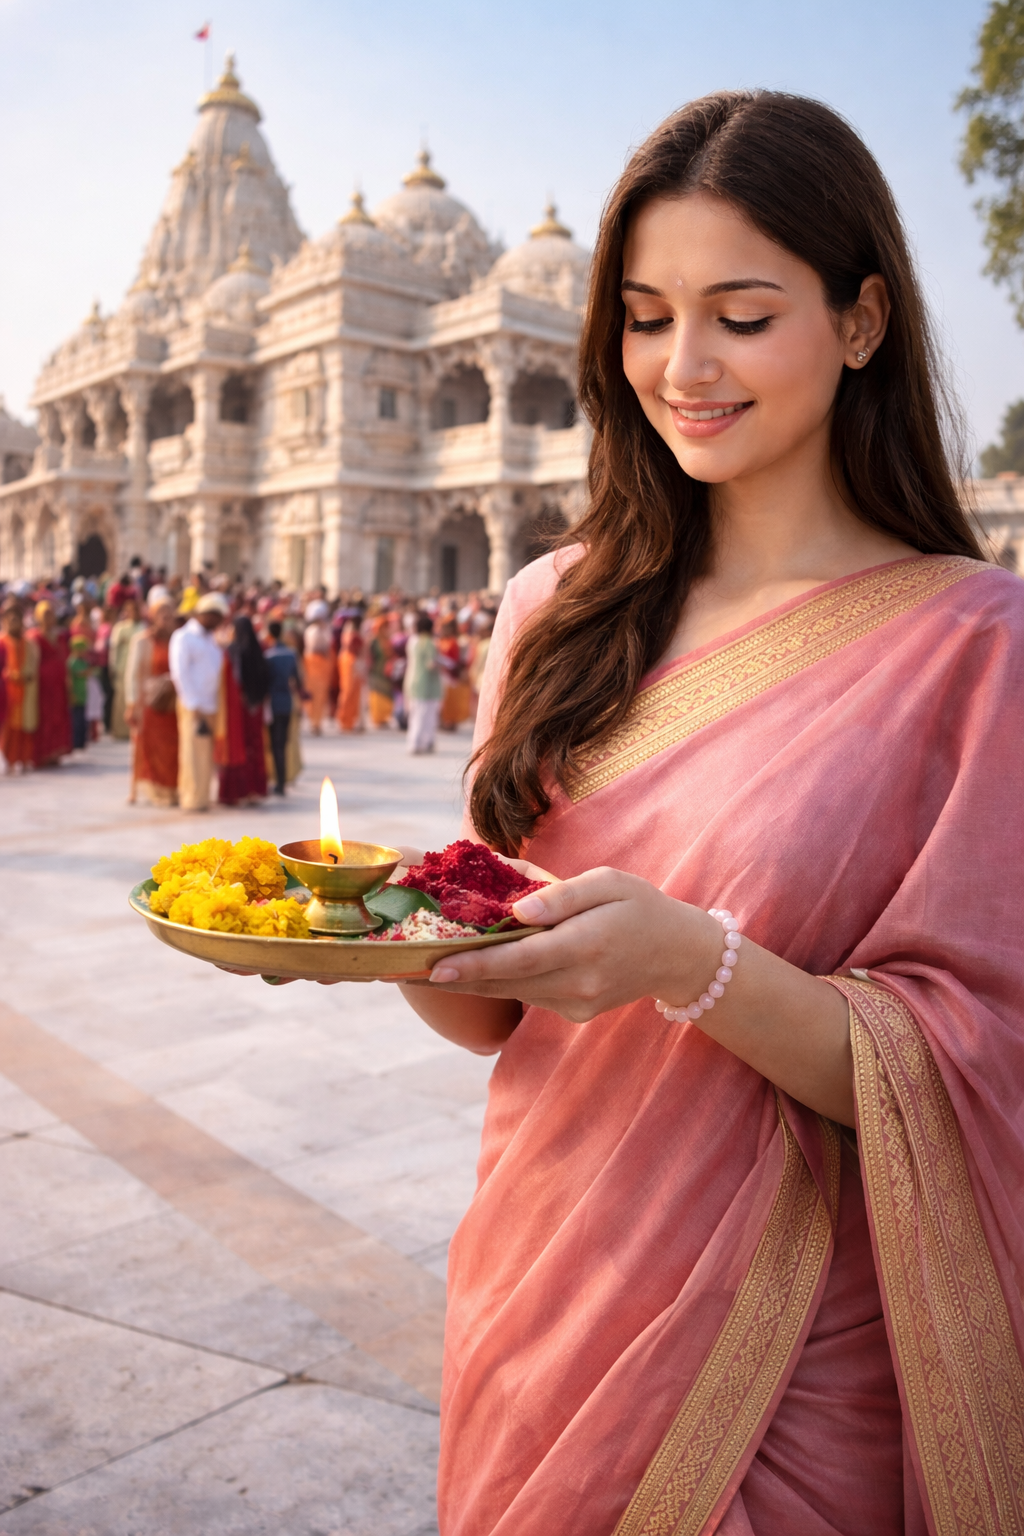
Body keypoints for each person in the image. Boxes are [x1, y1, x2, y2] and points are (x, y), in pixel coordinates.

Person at [393, 93, 1024, 1535]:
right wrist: (381, 935)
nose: (683, 368)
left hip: (797, 1357)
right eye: (644, 317)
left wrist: (695, 965)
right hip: (540, 1294)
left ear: (861, 320)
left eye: (741, 316)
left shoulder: (977, 646)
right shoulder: (556, 610)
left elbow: (988, 1057)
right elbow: (491, 1014)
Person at [168, 591, 227, 812]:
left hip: (211, 705)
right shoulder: (184, 637)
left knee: (206, 755)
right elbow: (180, 673)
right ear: (206, 614)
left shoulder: (211, 639)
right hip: (193, 706)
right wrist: (194, 706)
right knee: (192, 754)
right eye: (217, 617)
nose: (220, 622)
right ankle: (191, 799)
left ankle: (203, 797)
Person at [125, 590, 179, 806]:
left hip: (173, 704)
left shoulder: (178, 639)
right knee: (145, 747)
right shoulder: (143, 641)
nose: (166, 617)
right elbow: (133, 674)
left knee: (173, 749)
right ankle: (148, 789)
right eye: (162, 613)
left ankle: (172, 789)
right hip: (150, 703)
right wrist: (132, 703)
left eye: (169, 613)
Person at [216, 615, 268, 806]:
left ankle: (237, 791)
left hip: (238, 709)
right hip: (256, 708)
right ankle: (254, 790)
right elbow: (264, 677)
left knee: (239, 747)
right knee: (255, 746)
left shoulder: (233, 650)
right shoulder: (258, 649)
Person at [28, 600, 71, 767]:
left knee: (58, 716)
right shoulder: (34, 636)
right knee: (44, 716)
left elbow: (64, 657)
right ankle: (42, 754)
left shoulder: (60, 636)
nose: (49, 617)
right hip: (42, 686)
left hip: (58, 684)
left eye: (51, 613)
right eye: (45, 614)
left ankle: (55, 752)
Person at [0, 598, 38, 773]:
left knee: (24, 727)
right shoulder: (2, 642)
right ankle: (8, 760)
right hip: (6, 692)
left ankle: (22, 759)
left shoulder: (29, 643)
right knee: (8, 729)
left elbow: (32, 664)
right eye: (10, 617)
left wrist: (25, 674)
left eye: (17, 617)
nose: (14, 621)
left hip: (26, 691)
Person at [264, 619, 299, 796]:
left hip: (273, 704)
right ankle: (283, 780)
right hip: (287, 702)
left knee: (273, 744)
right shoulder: (291, 654)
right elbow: (297, 680)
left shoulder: (268, 656)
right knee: (283, 743)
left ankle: (278, 781)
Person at [404, 611, 443, 754]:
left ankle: (415, 742)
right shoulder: (429, 643)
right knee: (426, 716)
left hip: (413, 680)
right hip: (427, 684)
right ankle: (421, 743)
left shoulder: (412, 641)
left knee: (416, 715)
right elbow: (430, 664)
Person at [108, 598, 144, 740]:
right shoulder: (120, 628)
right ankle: (120, 730)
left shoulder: (144, 626)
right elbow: (114, 650)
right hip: (122, 667)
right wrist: (113, 667)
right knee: (121, 699)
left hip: (139, 667)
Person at [302, 599, 334, 735]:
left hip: (321, 666)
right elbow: (315, 647)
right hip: (314, 664)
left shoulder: (323, 630)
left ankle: (317, 722)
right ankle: (314, 723)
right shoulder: (313, 631)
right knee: (314, 695)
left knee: (320, 696)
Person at [437, 617, 470, 731]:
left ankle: (450, 721)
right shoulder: (442, 641)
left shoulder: (454, 641)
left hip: (451, 674)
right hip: (442, 673)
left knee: (451, 699)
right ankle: (444, 721)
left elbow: (456, 659)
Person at [335, 617, 364, 731]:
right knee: (348, 692)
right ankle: (345, 720)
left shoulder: (349, 636)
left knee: (351, 693)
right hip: (350, 665)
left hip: (351, 664)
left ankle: (349, 721)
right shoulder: (350, 636)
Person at [366, 614, 394, 728]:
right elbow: (370, 656)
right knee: (377, 694)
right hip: (376, 671)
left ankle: (384, 717)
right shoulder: (373, 641)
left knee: (386, 694)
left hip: (386, 671)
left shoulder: (389, 640)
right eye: (383, 627)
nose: (385, 630)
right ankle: (377, 718)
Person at [66, 636, 92, 751]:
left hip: (83, 694)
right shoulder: (72, 662)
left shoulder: (83, 662)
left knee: (83, 719)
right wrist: (71, 694)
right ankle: (75, 742)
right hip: (75, 695)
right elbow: (73, 677)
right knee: (76, 721)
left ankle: (82, 742)